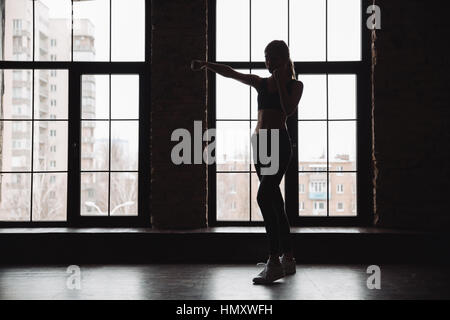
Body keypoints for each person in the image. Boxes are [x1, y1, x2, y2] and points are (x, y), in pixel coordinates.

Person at [191, 40, 304, 284]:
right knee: (275, 201)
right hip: (260, 146)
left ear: (283, 59)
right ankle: (289, 258)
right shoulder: (260, 83)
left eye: (272, 57)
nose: (268, 61)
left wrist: (281, 80)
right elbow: (231, 73)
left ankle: (274, 262)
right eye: (266, 57)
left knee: (264, 196)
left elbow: (288, 109)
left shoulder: (295, 85)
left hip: (279, 144)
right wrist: (206, 65)